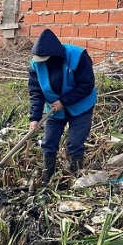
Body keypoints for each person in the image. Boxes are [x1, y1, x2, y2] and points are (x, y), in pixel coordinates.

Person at [28, 28, 97, 185]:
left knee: (74, 144)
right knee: (49, 142)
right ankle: (48, 178)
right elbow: (36, 92)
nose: (41, 61)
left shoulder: (78, 56)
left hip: (81, 107)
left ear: (54, 55)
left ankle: (76, 179)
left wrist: (64, 101)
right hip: (53, 109)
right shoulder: (35, 64)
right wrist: (35, 117)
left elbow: (86, 85)